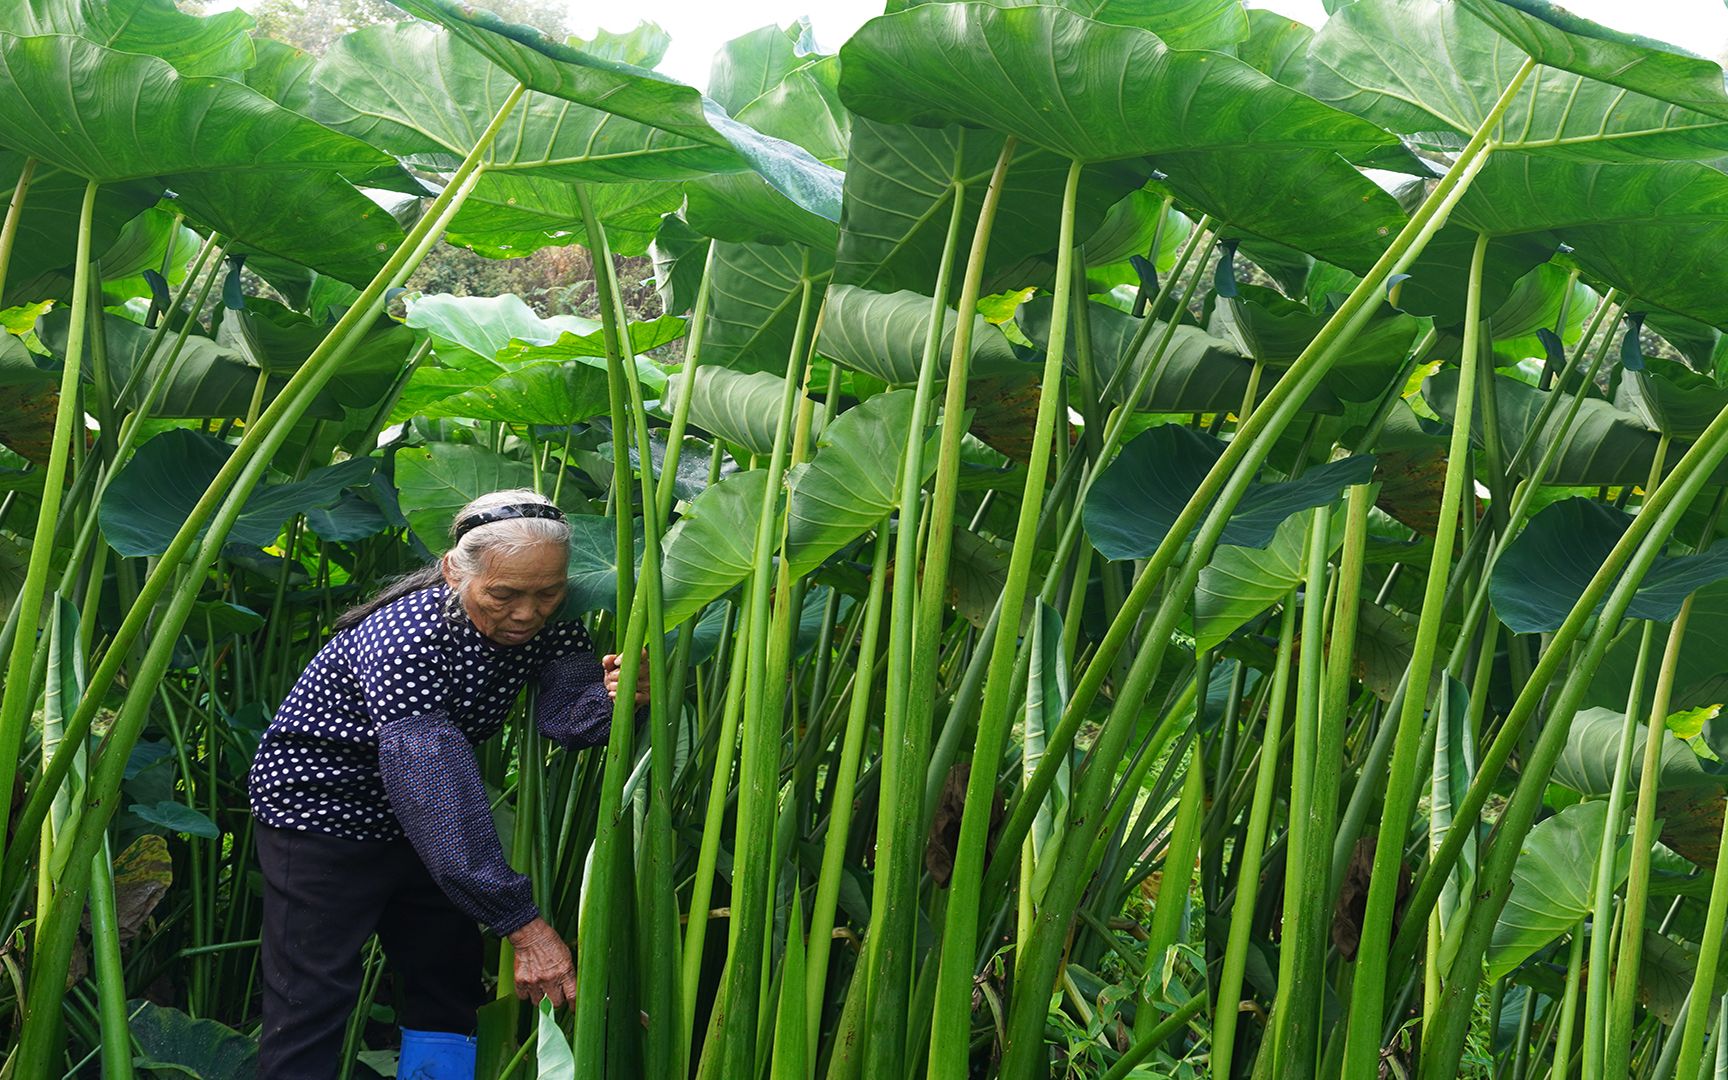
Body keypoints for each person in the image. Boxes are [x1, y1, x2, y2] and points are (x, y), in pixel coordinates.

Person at [247, 489, 648, 1079]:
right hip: (322, 814)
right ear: (454, 571)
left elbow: (567, 717)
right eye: (505, 595)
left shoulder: (547, 623)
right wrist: (523, 925)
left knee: (448, 976)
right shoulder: (407, 635)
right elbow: (430, 779)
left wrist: (619, 699)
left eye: (548, 594)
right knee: (312, 995)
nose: (527, 614)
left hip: (421, 821)